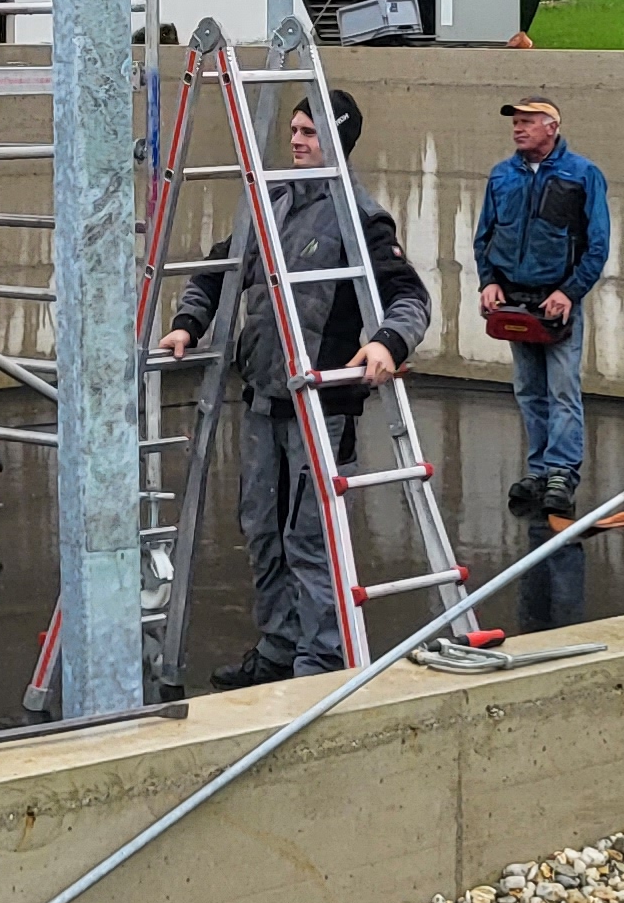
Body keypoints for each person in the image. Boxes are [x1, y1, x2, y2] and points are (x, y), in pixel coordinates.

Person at [159, 88, 431, 687]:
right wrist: (187, 324)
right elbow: (219, 269)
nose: (298, 141)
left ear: (337, 141)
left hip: (322, 407)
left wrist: (387, 342)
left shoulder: (360, 217)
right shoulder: (271, 204)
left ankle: (320, 665)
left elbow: (409, 297)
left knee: (313, 540)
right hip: (263, 400)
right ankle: (279, 648)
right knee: (261, 529)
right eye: (295, 131)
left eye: (310, 133)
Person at [477, 93, 610, 521]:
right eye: (515, 121)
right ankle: (538, 471)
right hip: (514, 302)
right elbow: (485, 238)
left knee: (563, 391)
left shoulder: (583, 175)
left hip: (558, 304)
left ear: (552, 127)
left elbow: (597, 245)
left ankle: (561, 474)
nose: (518, 127)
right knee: (529, 390)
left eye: (528, 121)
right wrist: (489, 283)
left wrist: (569, 293)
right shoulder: (501, 177)